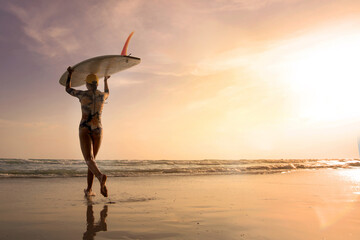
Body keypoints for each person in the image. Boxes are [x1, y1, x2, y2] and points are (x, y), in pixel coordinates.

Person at [65, 66, 109, 197]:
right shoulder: (103, 96)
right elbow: (108, 91)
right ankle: (89, 190)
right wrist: (106, 80)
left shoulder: (83, 94)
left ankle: (101, 177)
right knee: (92, 160)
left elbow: (68, 89)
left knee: (89, 160)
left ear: (87, 84)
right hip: (98, 129)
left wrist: (70, 74)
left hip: (85, 127)